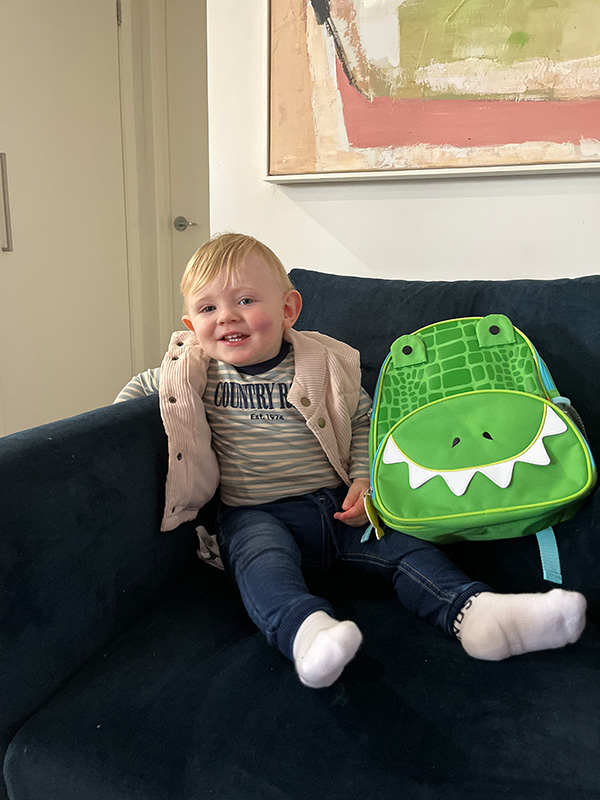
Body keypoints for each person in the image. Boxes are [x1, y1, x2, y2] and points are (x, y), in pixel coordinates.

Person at [116, 232, 587, 689]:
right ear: (190, 326)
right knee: (260, 566)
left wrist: (364, 477)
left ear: (287, 310)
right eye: (207, 308)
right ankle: (307, 633)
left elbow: (363, 419)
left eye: (244, 301)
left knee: (409, 551)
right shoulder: (193, 370)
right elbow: (139, 391)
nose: (226, 318)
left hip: (338, 506)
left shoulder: (324, 362)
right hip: (254, 514)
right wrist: (114, 431)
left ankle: (480, 616)